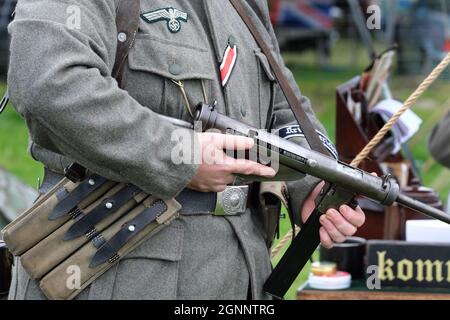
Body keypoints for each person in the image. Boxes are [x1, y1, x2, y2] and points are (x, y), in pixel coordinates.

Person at [7, 0, 366, 300]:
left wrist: (310, 184)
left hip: (242, 275)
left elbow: (281, 105)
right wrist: (181, 155)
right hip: (115, 268)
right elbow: (48, 84)